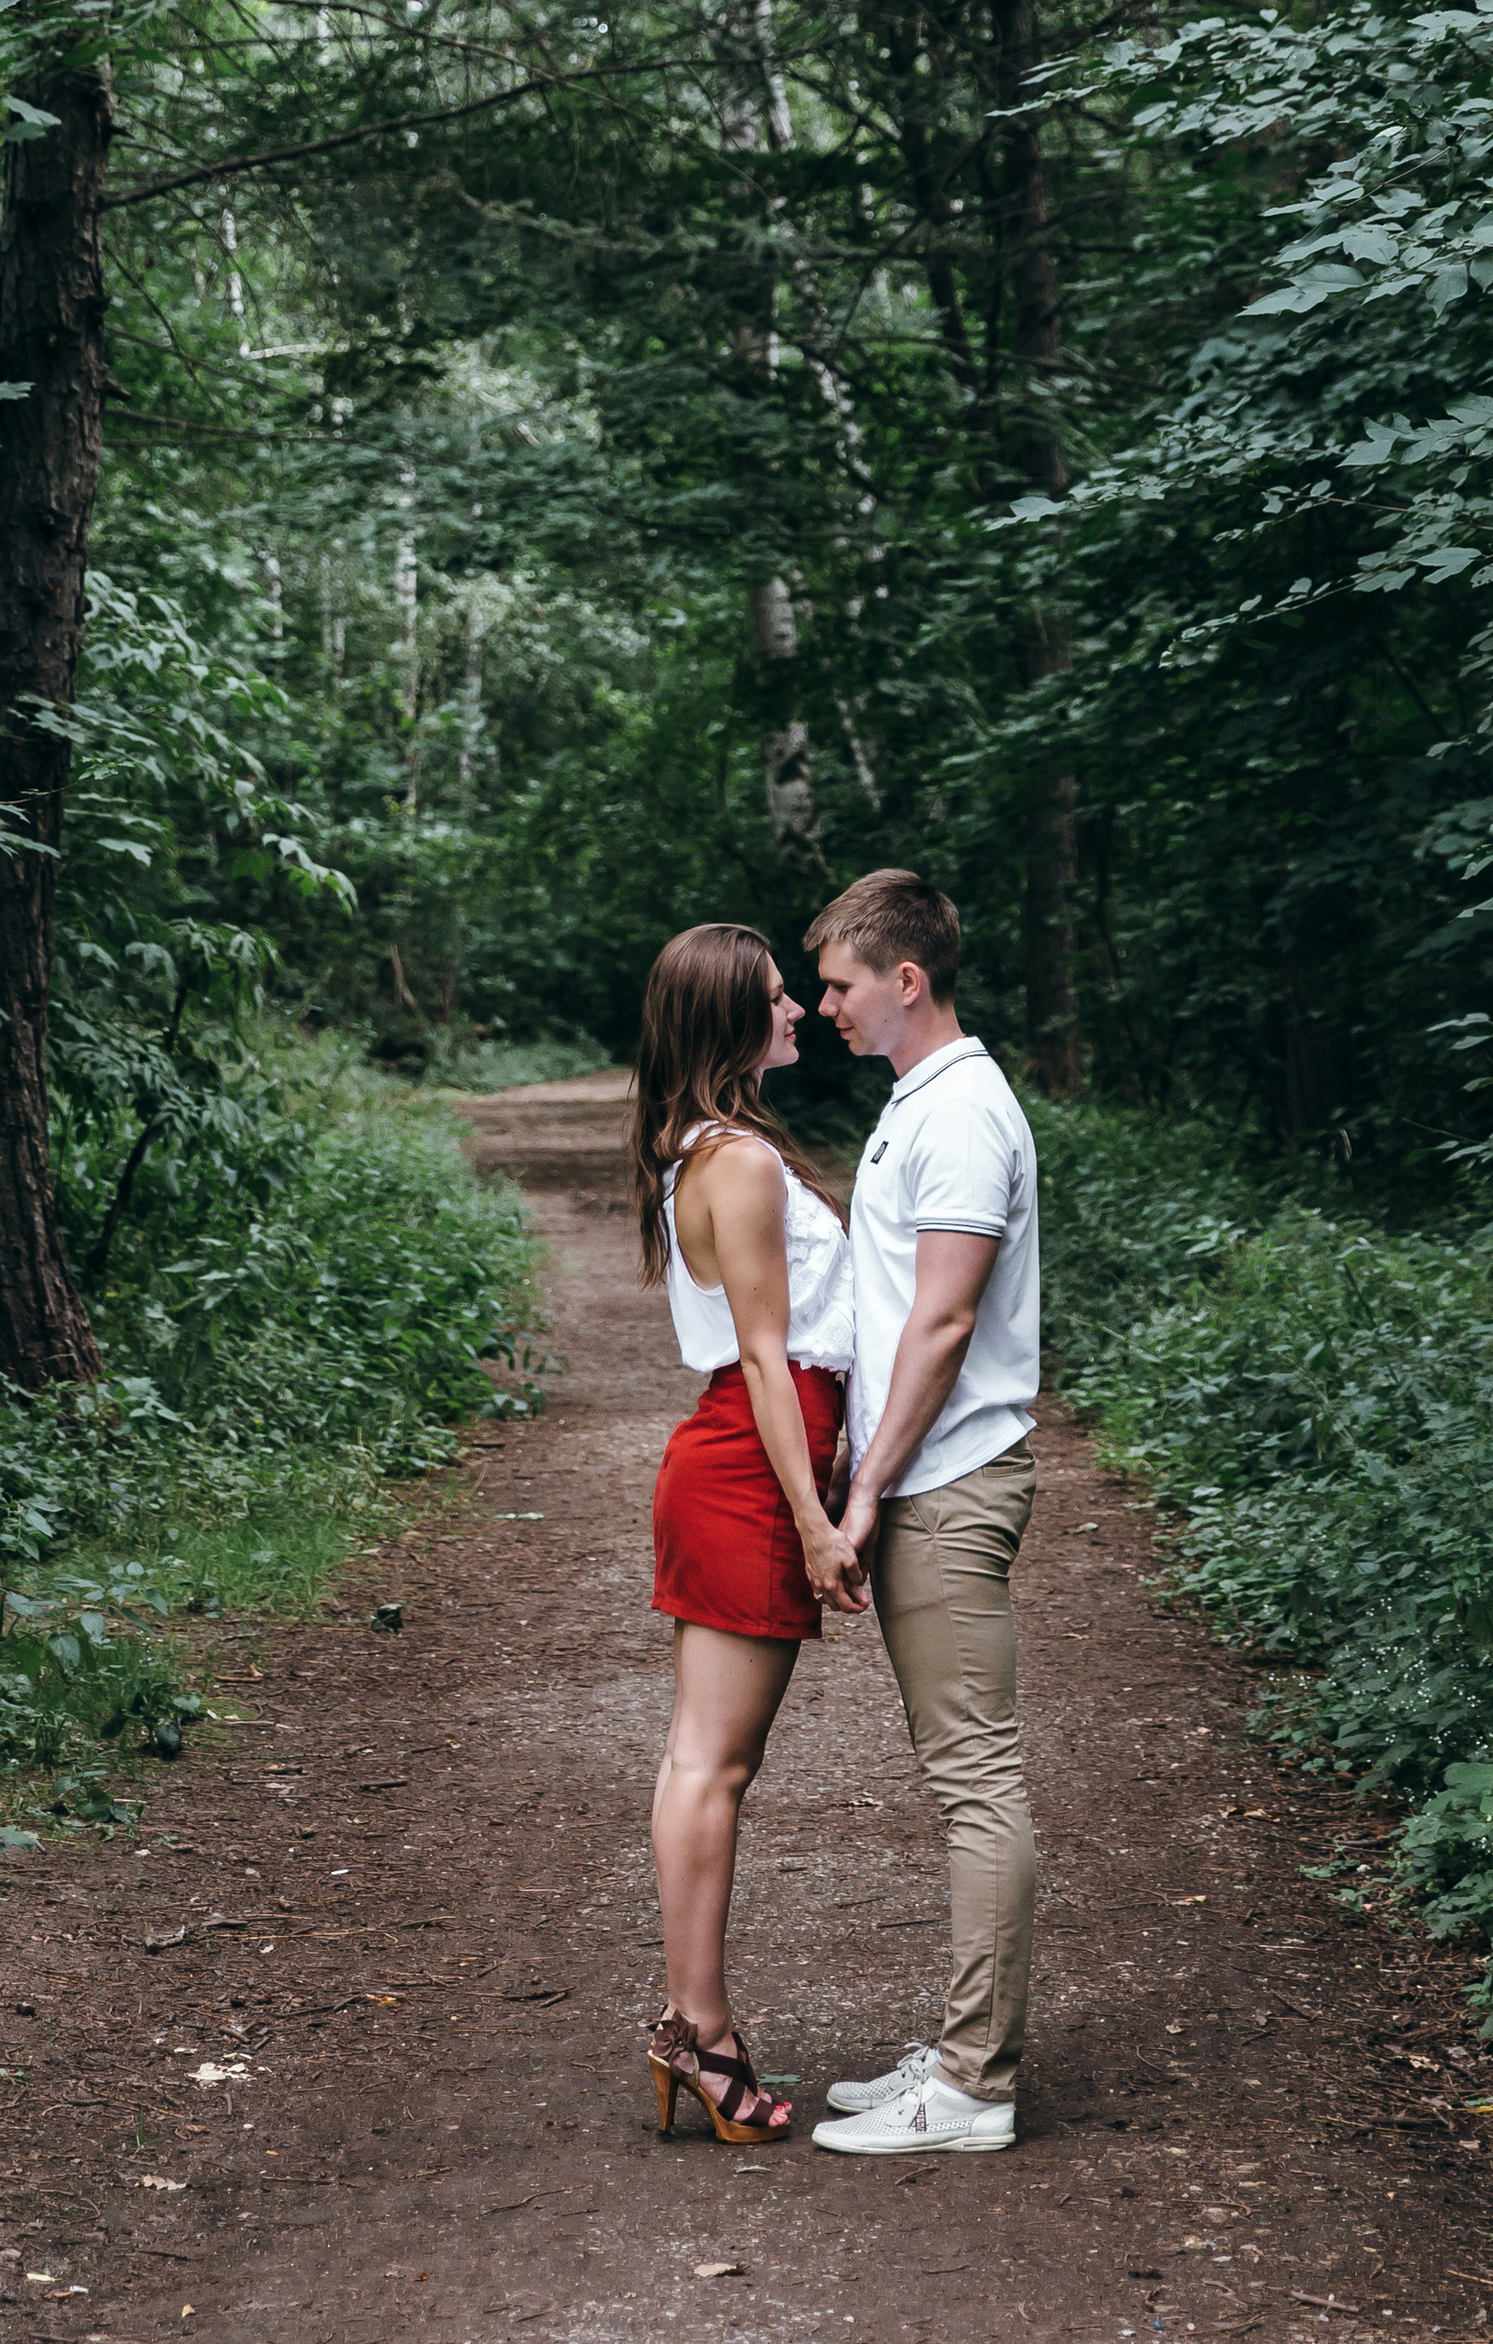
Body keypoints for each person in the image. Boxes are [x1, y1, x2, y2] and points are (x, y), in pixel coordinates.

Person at [803, 868, 1041, 2160]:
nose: (824, 1002)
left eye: (841, 982)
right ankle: (963, 2048)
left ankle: (972, 2083)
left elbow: (944, 1322)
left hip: (948, 1483)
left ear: (907, 981)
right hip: (933, 1477)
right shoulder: (922, 1099)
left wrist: (864, 1489)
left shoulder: (960, 1114)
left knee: (976, 1783)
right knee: (964, 1778)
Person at [632, 920, 866, 2146]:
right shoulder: (741, 1161)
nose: (796, 1011)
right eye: (776, 998)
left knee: (702, 1761)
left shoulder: (712, 1147)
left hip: (731, 1461)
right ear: (731, 1022)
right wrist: (819, 1521)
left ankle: (692, 2021)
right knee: (711, 1766)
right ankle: (699, 2031)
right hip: (747, 1465)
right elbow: (771, 1362)